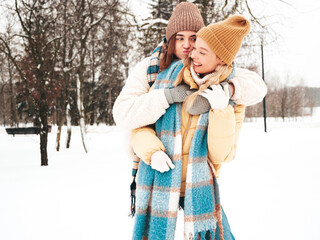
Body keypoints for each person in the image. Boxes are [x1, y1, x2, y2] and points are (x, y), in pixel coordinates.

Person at [130, 14, 253, 240]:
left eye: (202, 51)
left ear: (222, 60)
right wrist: (152, 151)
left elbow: (222, 155)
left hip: (198, 187)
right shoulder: (167, 79)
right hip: (160, 179)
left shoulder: (233, 97)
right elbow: (138, 126)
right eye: (195, 47)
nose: (192, 54)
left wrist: (220, 111)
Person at [112, 2, 267, 131]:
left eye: (193, 38)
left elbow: (258, 87)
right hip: (151, 158)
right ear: (171, 40)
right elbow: (122, 114)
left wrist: (227, 90)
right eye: (180, 38)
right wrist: (166, 97)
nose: (187, 45)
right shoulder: (149, 67)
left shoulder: (207, 66)